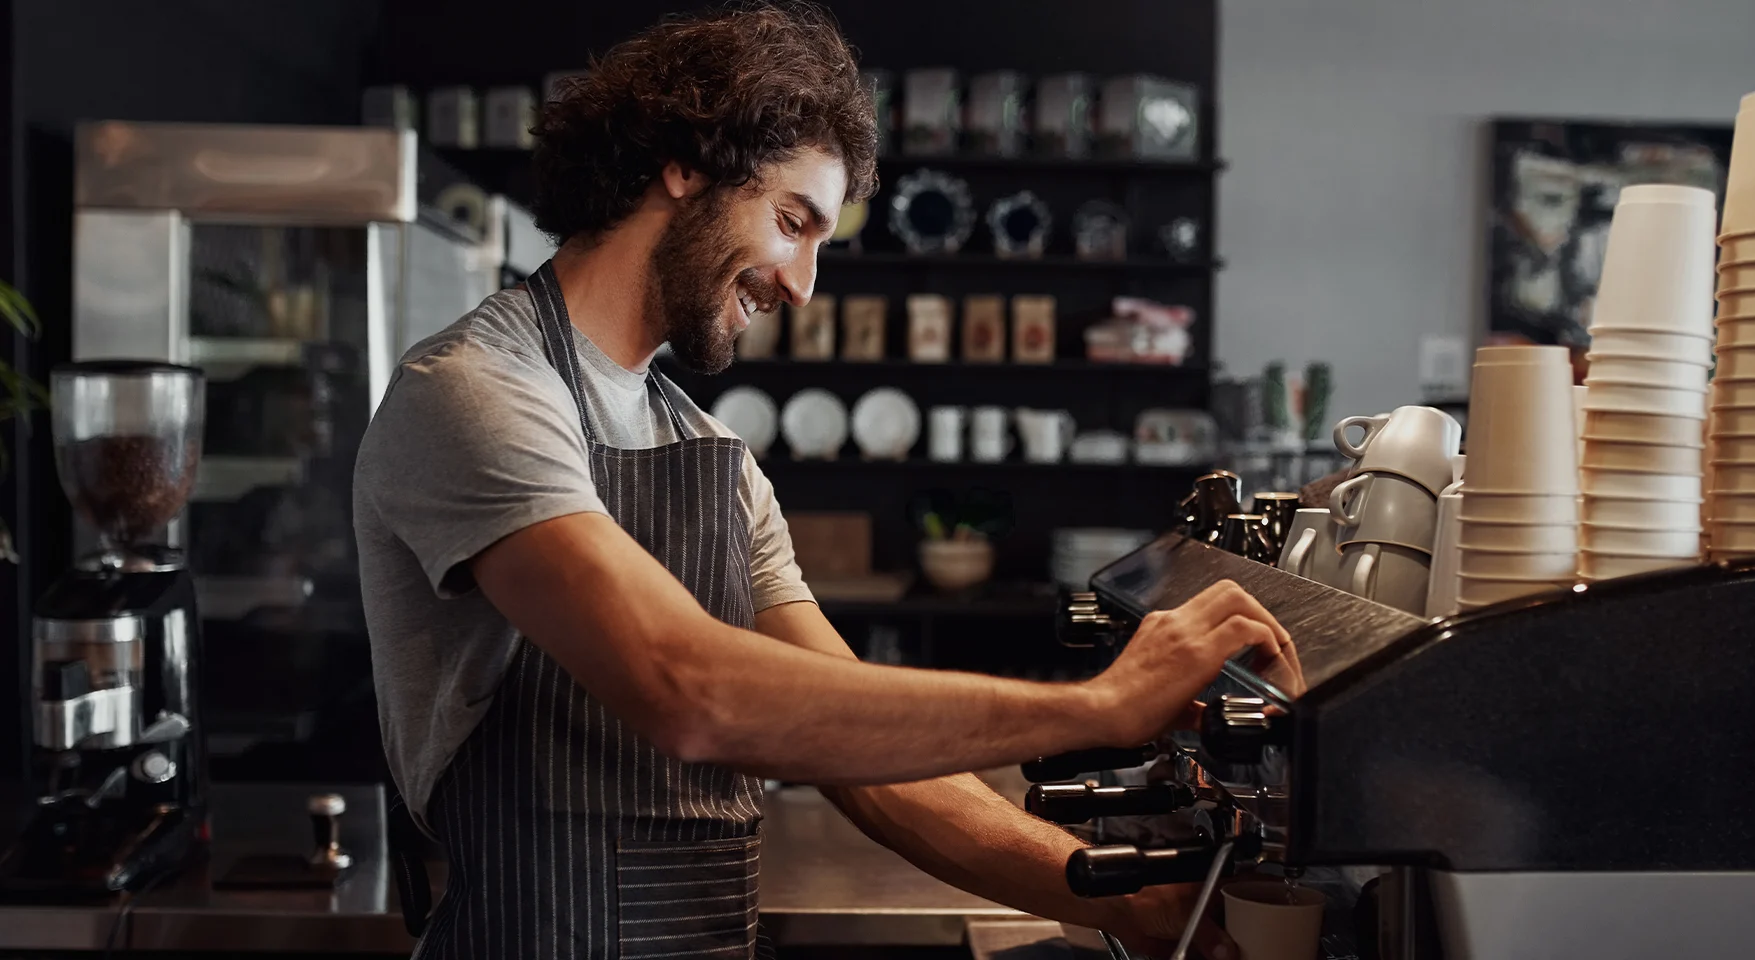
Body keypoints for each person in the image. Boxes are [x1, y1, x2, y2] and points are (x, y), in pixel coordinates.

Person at [352, 5, 1304, 958]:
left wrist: (1123, 903)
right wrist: (1099, 703)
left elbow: (876, 769)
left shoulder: (714, 460)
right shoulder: (478, 393)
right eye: (792, 221)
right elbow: (688, 688)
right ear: (687, 166)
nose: (803, 285)